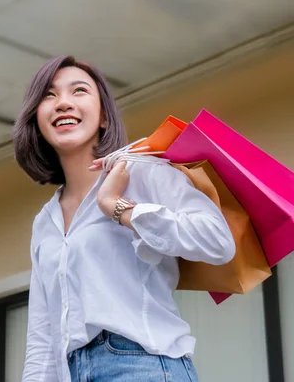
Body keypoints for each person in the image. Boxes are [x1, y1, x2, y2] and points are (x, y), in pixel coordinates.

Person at [12, 55, 236, 382]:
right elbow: (43, 336)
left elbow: (218, 240)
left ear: (103, 117)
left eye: (79, 91)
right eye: (49, 95)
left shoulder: (141, 172)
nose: (62, 103)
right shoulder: (44, 222)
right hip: (72, 371)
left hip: (143, 364)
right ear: (37, 119)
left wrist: (119, 207)